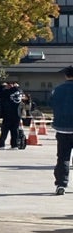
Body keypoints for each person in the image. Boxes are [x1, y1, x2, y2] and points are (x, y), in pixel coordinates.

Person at [50, 67, 73, 195]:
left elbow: (51, 104)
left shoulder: (57, 90)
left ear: (65, 76)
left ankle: (61, 184)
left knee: (63, 158)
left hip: (62, 129)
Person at [0, 80, 23, 149]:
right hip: (17, 114)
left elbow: (0, 93)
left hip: (8, 114)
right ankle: (15, 145)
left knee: (5, 130)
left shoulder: (8, 92)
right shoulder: (20, 92)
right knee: (15, 130)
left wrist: (2, 86)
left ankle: (1, 145)